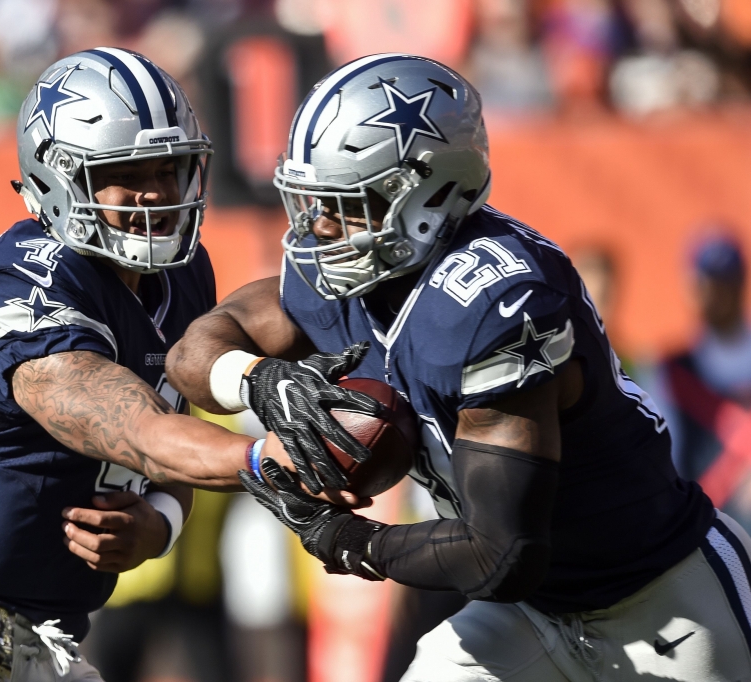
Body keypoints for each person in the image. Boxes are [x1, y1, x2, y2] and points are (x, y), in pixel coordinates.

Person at [166, 53, 751, 681]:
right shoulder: (343, 275)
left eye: (347, 202)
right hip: (530, 612)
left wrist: (352, 542)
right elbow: (193, 351)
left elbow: (503, 551)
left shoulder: (494, 301)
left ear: (429, 191)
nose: (321, 226)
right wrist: (256, 380)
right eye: (313, 202)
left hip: (659, 603)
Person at [0, 48, 331, 682]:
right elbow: (139, 431)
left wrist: (163, 525)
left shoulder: (183, 273)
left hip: (53, 642)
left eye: (171, 170)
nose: (160, 193)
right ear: (61, 180)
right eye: (131, 173)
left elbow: (173, 440)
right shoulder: (19, 279)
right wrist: (276, 460)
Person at [655, 235, 751, 528]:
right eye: (707, 284)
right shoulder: (673, 371)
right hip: (706, 530)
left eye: (725, 283)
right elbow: (669, 458)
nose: (715, 294)